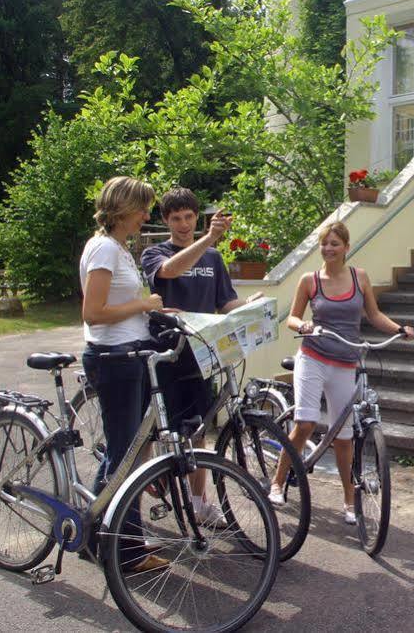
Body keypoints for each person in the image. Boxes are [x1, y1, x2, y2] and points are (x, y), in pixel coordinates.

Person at [268, 221, 414, 525]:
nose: (328, 249)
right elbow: (292, 318)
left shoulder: (359, 278)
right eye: (324, 243)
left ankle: (349, 500)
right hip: (314, 356)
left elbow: (373, 315)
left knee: (344, 436)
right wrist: (304, 325)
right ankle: (278, 483)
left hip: (346, 362)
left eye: (335, 243)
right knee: (305, 423)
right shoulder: (310, 280)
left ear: (346, 247)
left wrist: (399, 329)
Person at [140, 187, 259, 524]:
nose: (183, 224)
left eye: (189, 217)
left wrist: (250, 308)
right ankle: (139, 501)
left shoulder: (214, 259)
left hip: (202, 354)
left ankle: (199, 502)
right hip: (165, 353)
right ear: (165, 220)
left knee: (198, 431)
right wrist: (208, 238)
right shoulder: (155, 253)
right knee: (153, 431)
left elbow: (226, 303)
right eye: (175, 218)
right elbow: (170, 271)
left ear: (196, 216)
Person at [79, 175, 166, 573]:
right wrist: (143, 304)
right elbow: (93, 313)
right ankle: (127, 552)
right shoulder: (104, 249)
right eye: (142, 208)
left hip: (129, 355)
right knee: (126, 458)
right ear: (121, 209)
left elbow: (123, 304)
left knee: (122, 452)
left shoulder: (119, 249)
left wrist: (153, 310)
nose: (147, 215)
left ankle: (94, 536)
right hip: (113, 359)